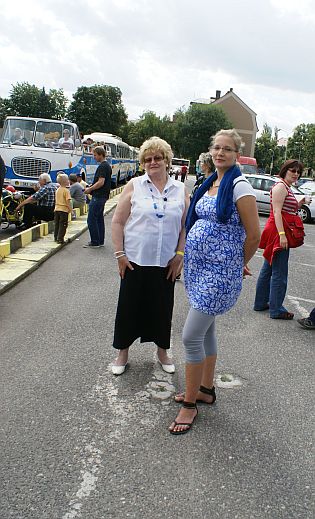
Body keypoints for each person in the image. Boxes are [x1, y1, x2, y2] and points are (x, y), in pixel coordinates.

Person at [169, 129, 260, 435]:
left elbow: (254, 235)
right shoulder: (211, 182)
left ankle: (190, 405)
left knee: (190, 336)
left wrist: (239, 264)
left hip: (219, 274)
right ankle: (205, 389)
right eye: (217, 148)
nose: (221, 153)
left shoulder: (239, 187)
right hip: (198, 269)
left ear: (237, 155)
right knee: (206, 332)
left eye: (228, 149)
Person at [111, 136, 190, 376]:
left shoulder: (180, 189)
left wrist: (180, 255)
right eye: (148, 159)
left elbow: (185, 226)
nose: (153, 162)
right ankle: (122, 353)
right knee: (128, 308)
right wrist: (119, 254)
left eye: (157, 158)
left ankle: (162, 351)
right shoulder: (134, 185)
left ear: (167, 160)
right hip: (135, 260)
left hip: (166, 262)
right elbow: (117, 221)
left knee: (162, 309)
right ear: (143, 163)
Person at [254, 159, 306, 320]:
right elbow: (276, 212)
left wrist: (299, 203)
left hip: (278, 230)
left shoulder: (285, 187)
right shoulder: (280, 187)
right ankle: (276, 309)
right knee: (280, 272)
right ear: (285, 170)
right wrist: (282, 235)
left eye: (298, 172)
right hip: (278, 232)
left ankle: (261, 303)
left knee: (268, 268)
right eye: (293, 170)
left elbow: (285, 208)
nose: (296, 174)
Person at [83, 146, 112, 248]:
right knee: (99, 218)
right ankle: (100, 241)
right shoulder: (107, 165)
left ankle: (94, 241)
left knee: (91, 219)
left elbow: (100, 182)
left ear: (100, 155)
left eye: (95, 155)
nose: (94, 157)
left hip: (98, 196)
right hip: (103, 196)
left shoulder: (102, 167)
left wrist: (90, 189)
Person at [54, 173, 72, 244]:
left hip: (56, 209)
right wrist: (70, 209)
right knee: (63, 225)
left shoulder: (57, 190)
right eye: (68, 180)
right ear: (65, 182)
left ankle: (56, 237)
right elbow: (68, 201)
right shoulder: (66, 191)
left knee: (57, 224)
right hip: (64, 210)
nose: (68, 181)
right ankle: (60, 239)